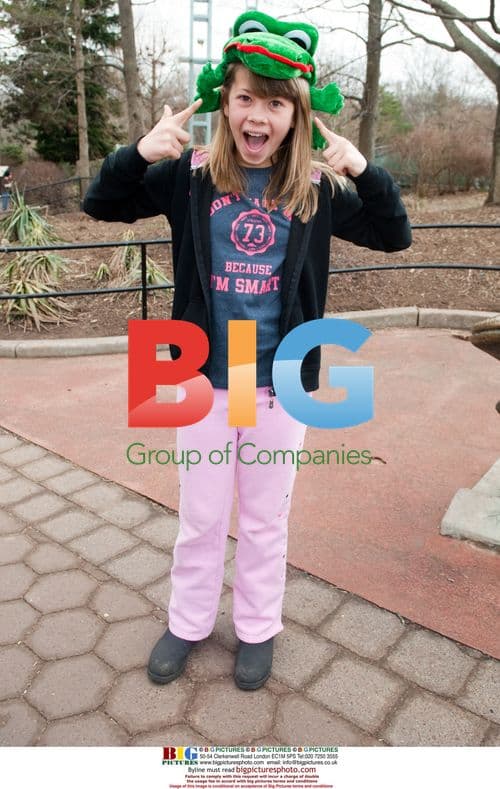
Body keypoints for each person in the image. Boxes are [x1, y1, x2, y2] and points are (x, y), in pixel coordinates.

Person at [83, 10, 411, 691]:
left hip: (278, 379)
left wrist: (361, 167)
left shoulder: (315, 190)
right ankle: (189, 621)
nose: (258, 114)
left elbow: (393, 235)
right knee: (201, 514)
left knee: (264, 519)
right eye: (246, 99)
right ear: (225, 105)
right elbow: (101, 203)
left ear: (295, 115)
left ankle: (258, 628)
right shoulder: (190, 176)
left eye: (276, 101)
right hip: (201, 374)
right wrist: (140, 153)